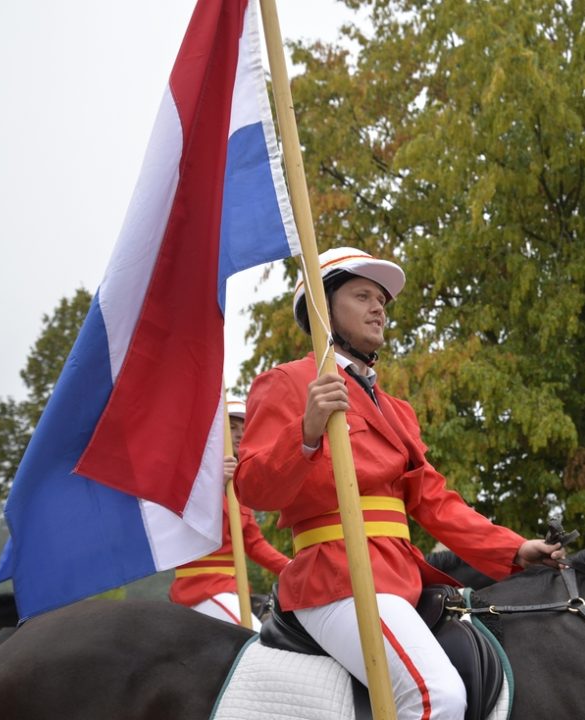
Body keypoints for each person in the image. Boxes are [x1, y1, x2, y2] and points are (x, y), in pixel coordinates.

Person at [235, 247, 565, 720]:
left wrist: (514, 548)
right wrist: (306, 431)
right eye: (362, 296)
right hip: (336, 578)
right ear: (322, 311)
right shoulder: (287, 382)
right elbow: (253, 490)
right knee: (437, 697)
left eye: (382, 301)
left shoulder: (397, 411)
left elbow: (435, 501)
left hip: (400, 577)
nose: (379, 309)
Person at [170, 397, 290, 626]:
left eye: (244, 429)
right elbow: (175, 522)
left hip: (232, 588)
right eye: (232, 427)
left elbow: (254, 544)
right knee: (257, 640)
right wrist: (212, 485)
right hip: (200, 588)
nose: (239, 434)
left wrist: (292, 568)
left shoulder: (239, 484)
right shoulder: (191, 474)